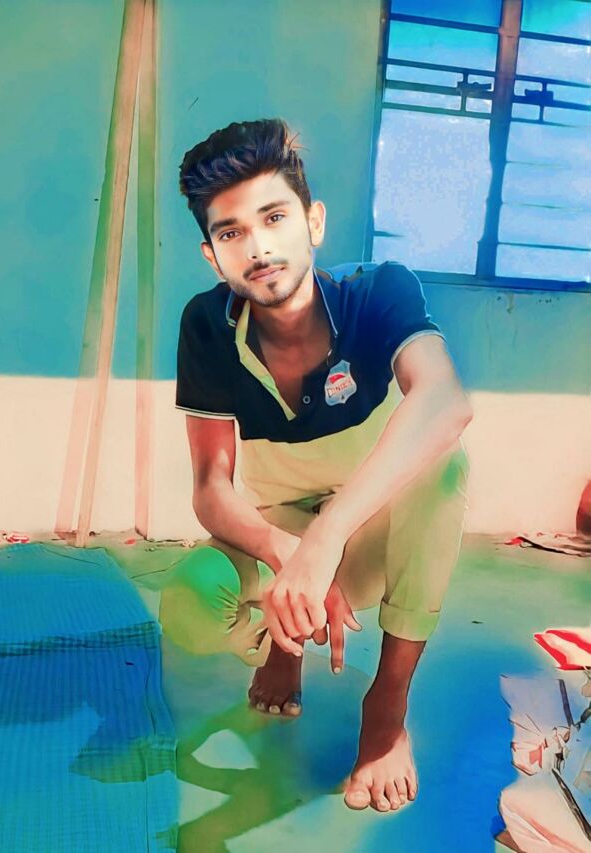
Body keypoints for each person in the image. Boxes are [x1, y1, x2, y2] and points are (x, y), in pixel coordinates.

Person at [163, 118, 472, 813]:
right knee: (189, 599)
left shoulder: (378, 292)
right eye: (232, 232)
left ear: (314, 222)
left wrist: (326, 541)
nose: (258, 247)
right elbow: (211, 487)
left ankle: (387, 705)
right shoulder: (207, 325)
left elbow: (445, 402)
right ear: (212, 255)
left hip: (370, 536)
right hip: (283, 536)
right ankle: (284, 639)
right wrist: (289, 555)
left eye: (274, 217)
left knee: (446, 466)